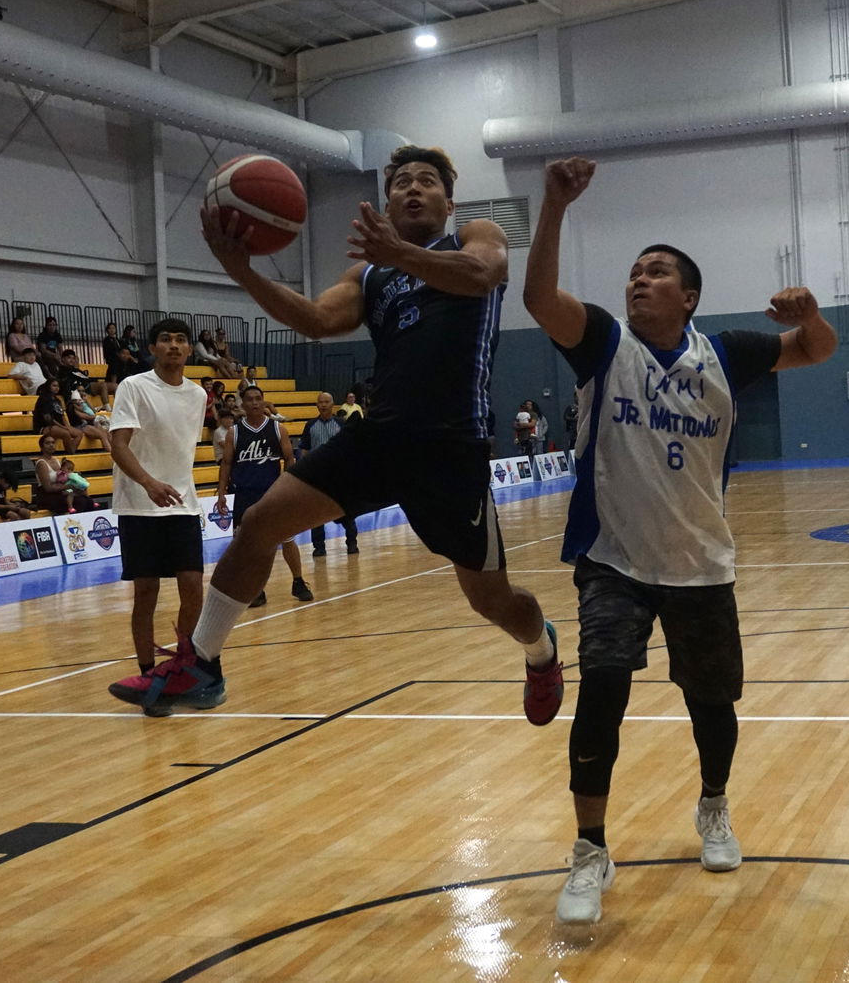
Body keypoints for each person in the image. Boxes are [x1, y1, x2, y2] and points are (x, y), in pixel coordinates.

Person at [109, 144, 563, 725]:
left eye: (427, 181)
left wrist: (399, 250)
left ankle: (540, 650)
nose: (414, 189)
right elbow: (317, 320)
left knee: (494, 600)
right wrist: (241, 270)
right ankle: (202, 664)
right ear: (388, 201)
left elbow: (485, 275)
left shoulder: (472, 236)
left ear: (448, 203)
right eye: (402, 182)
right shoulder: (370, 274)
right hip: (379, 438)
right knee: (258, 524)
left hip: (450, 446)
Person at [523, 156, 838, 924]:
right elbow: (536, 298)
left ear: (688, 296)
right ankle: (590, 850)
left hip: (701, 559)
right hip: (614, 560)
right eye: (634, 271)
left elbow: (818, 348)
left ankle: (714, 806)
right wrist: (554, 207)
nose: (638, 280)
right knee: (601, 692)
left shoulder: (726, 353)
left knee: (711, 702)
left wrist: (810, 313)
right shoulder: (602, 342)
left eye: (656, 273)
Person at [105, 318, 209, 679]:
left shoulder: (198, 395)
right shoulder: (133, 387)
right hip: (138, 504)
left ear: (189, 349)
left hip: (182, 503)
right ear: (152, 348)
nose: (174, 346)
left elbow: (181, 450)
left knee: (194, 587)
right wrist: (149, 483)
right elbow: (118, 445)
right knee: (146, 592)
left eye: (181, 340)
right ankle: (147, 672)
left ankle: (183, 662)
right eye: (166, 339)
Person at [217, 385, 313, 608]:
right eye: (249, 399)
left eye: (258, 399)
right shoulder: (235, 432)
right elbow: (227, 463)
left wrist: (292, 487)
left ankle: (298, 582)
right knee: (245, 544)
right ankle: (256, 589)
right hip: (244, 493)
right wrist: (221, 492)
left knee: (287, 537)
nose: (254, 403)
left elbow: (290, 460)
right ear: (243, 404)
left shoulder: (278, 429)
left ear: (263, 401)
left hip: (272, 492)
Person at [296, 391, 359, 556]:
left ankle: (352, 542)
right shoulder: (310, 425)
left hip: (338, 475)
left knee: (345, 511)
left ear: (333, 404)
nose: (323, 405)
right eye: (320, 402)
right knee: (316, 514)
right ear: (317, 405)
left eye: (326, 402)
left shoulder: (342, 423)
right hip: (317, 476)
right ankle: (319, 547)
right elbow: (304, 448)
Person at [33, 379, 86, 454]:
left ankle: (71, 451)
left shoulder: (57, 400)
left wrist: (68, 426)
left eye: (58, 386)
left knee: (79, 433)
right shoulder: (43, 399)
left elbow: (62, 416)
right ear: (48, 386)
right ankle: (71, 453)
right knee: (66, 433)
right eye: (54, 386)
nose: (56, 388)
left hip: (58, 426)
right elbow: (49, 419)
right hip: (45, 427)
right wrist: (63, 427)